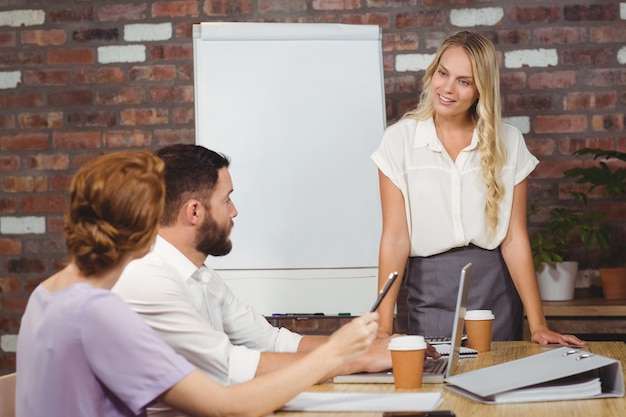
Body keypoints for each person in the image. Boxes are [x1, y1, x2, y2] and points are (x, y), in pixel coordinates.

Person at [15, 150, 379, 417]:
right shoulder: (98, 312)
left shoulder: (46, 294)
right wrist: (336, 353)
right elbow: (227, 406)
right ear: (146, 230)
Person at [112, 144, 437, 387]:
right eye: (226, 200)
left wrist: (367, 346)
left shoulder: (200, 274)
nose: (234, 211)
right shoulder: (148, 279)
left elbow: (271, 341)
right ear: (194, 212)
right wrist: (357, 359)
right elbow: (229, 365)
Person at [371, 31, 586, 346]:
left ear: (480, 90)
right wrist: (383, 326)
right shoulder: (399, 141)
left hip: (495, 287)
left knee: (497, 377)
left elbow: (514, 239)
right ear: (433, 73)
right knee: (436, 382)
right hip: (429, 288)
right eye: (443, 73)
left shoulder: (509, 142)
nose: (447, 88)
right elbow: (394, 239)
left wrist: (538, 324)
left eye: (464, 81)